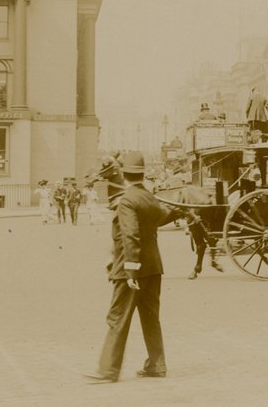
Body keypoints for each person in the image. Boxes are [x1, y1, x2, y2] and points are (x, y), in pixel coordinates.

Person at [86, 151, 183, 383]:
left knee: (118, 317)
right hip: (154, 267)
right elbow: (161, 218)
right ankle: (157, 365)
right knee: (151, 318)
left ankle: (108, 370)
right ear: (141, 174)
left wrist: (130, 270)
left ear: (124, 174)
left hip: (131, 269)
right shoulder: (149, 197)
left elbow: (131, 235)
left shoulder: (127, 201)